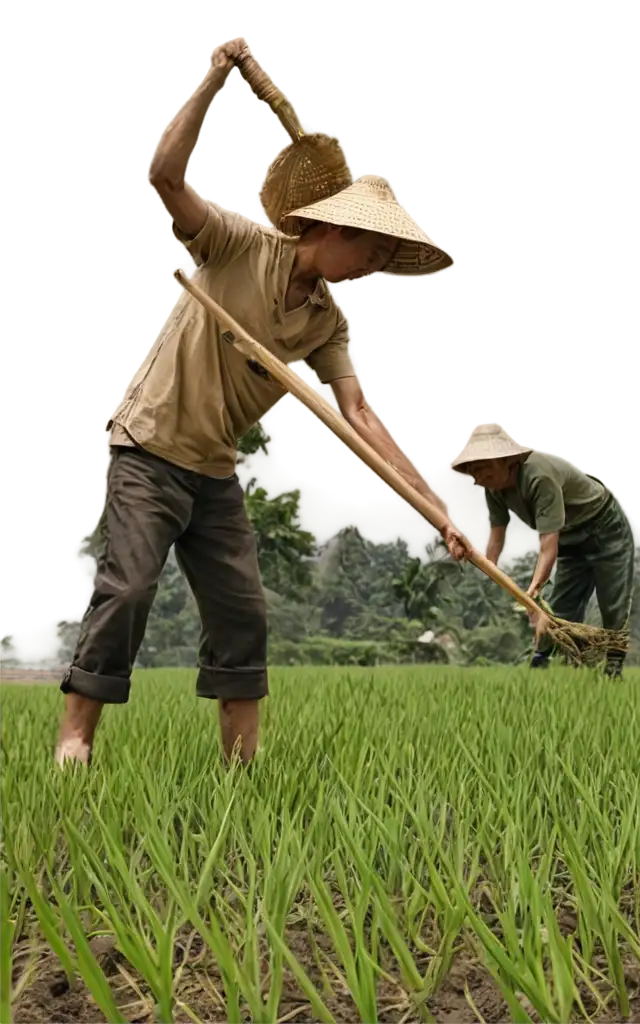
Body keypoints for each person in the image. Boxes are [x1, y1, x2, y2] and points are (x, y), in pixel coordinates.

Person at [55, 38, 469, 768]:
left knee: (243, 612)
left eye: (381, 263)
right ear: (333, 230)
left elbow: (361, 419)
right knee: (128, 590)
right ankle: (75, 739)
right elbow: (164, 175)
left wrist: (437, 515)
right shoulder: (239, 247)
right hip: (149, 450)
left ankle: (242, 769)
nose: (372, 271)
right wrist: (215, 76)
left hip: (213, 473)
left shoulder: (326, 320)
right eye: (370, 255)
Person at [449, 419, 635, 678]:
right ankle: (546, 663)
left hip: (604, 528)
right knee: (561, 607)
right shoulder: (494, 489)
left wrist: (533, 591)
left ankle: (613, 669)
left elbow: (548, 545)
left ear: (508, 461)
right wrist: (489, 569)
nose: (478, 479)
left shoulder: (539, 478)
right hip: (571, 538)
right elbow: (497, 534)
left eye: (484, 469)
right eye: (473, 472)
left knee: (612, 602)